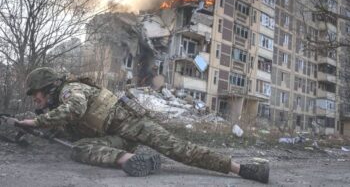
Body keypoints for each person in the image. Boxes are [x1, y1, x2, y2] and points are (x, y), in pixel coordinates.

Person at [16, 67, 269, 183]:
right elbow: (73, 127)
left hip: (134, 125)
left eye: (36, 93)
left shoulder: (70, 90)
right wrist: (40, 126)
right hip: (117, 138)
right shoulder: (57, 101)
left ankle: (242, 169)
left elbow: (76, 108)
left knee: (181, 150)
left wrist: (37, 121)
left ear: (48, 87)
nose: (36, 99)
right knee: (80, 148)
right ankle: (130, 160)